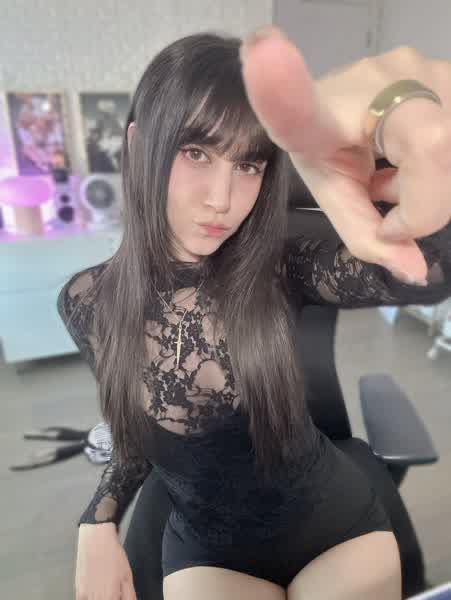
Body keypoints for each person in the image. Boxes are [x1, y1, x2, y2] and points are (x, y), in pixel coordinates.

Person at [58, 25, 451, 600]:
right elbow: (137, 432)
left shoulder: (280, 267)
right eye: (196, 152)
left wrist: (418, 121)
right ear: (140, 143)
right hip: (208, 547)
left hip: (333, 525)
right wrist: (97, 519)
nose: (221, 199)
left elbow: (429, 270)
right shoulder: (85, 302)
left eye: (249, 165)